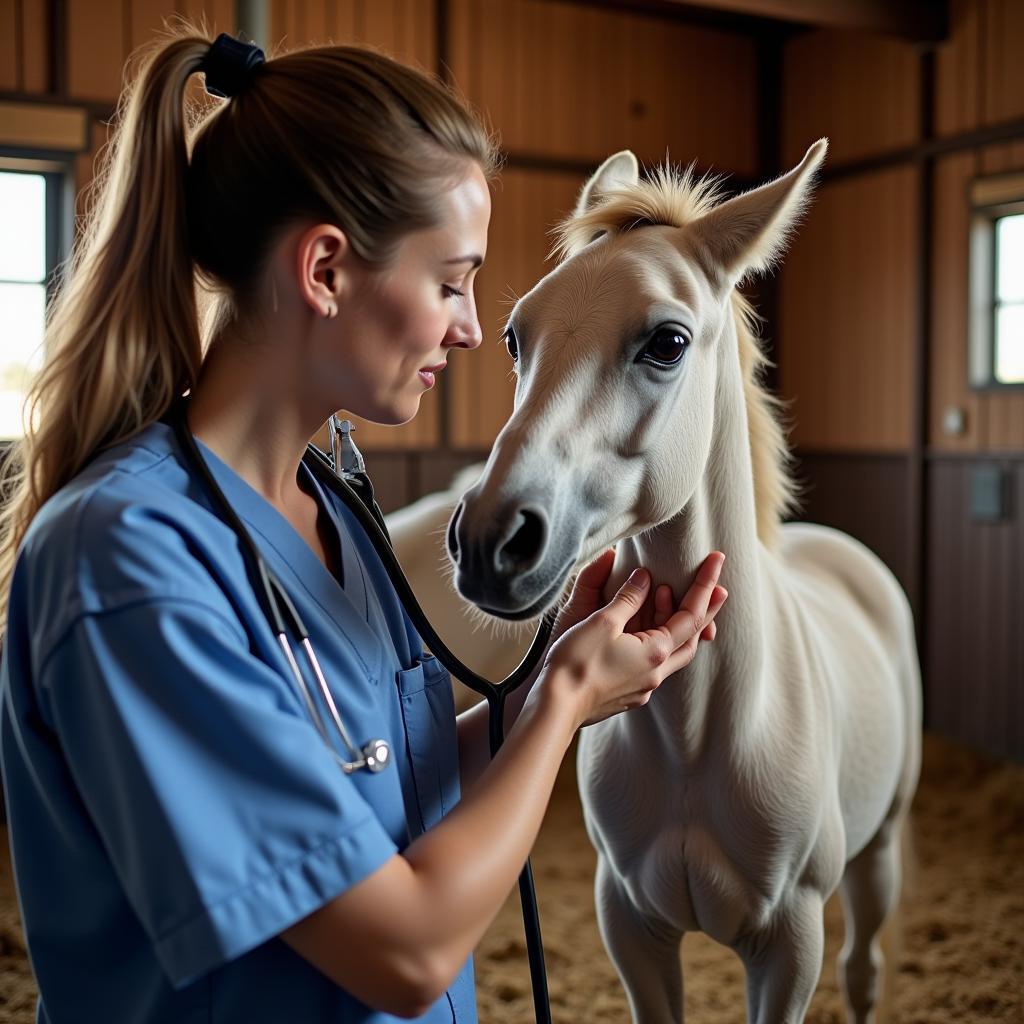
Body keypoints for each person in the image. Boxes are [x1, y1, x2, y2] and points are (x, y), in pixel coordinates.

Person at [0, 28, 728, 1024]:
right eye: (450, 281)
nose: (469, 328)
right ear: (328, 270)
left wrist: (556, 683)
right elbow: (405, 949)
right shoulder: (128, 561)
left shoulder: (330, 501)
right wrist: (557, 700)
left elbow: (387, 783)